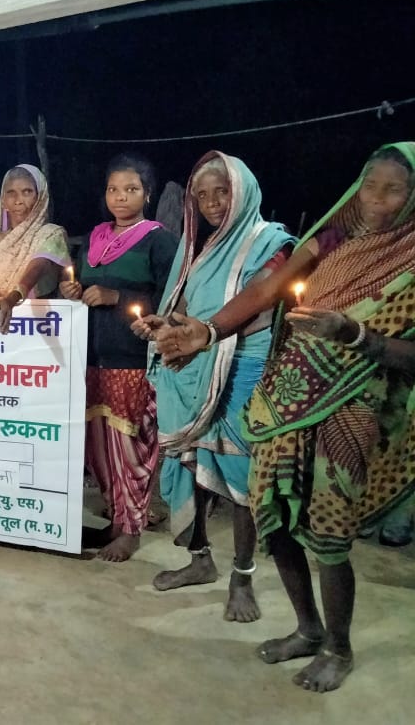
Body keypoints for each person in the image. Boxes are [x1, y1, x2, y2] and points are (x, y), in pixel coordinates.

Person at [156, 143, 415, 692]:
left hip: (352, 404)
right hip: (286, 399)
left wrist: (356, 334)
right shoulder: (334, 237)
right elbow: (267, 289)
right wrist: (209, 331)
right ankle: (307, 628)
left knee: (329, 530)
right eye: (370, 185)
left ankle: (338, 648)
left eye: (394, 190)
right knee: (272, 515)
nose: (377, 199)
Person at [132, 152, 293, 621]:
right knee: (193, 463)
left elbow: (260, 297)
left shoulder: (273, 243)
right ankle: (200, 560)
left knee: (242, 479)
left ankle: (243, 578)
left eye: (222, 191)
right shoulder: (201, 250)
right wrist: (165, 325)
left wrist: (205, 332)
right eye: (202, 196)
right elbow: (185, 307)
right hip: (195, 364)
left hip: (245, 368)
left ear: (243, 191)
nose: (212, 203)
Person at [59, 153, 178, 561]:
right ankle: (115, 516)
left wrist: (118, 297)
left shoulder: (159, 240)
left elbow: (172, 300)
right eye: (113, 189)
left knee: (130, 448)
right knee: (98, 449)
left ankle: (131, 528)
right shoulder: (95, 238)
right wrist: (73, 292)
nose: (120, 197)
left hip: (132, 358)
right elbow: (82, 287)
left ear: (148, 194)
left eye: (131, 189)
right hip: (92, 356)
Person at [0, 163, 70, 332]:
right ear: (3, 200)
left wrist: (12, 299)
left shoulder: (51, 234)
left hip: (41, 325)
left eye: (27, 192)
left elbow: (38, 267)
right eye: (11, 193)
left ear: (40, 198)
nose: (18, 200)